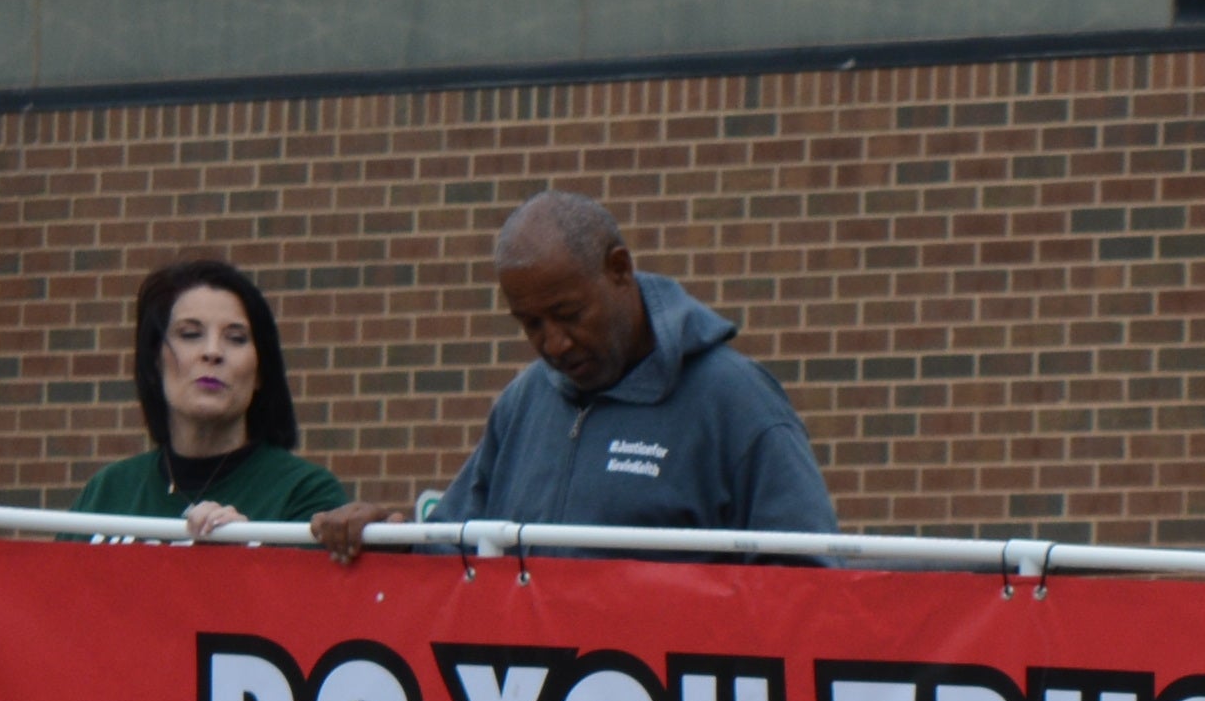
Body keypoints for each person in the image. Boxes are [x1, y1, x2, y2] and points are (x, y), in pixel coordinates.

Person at [305, 190, 833, 556]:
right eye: (530, 323)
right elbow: (455, 551)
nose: (553, 343)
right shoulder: (524, 402)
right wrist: (385, 538)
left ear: (619, 270)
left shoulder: (736, 400)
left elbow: (807, 580)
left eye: (569, 314)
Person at [0, 254, 348, 547]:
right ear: (154, 360)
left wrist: (249, 553)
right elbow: (33, 624)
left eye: (236, 338)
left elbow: (320, 632)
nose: (212, 352)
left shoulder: (306, 494)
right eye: (189, 333)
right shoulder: (109, 491)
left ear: (261, 370)